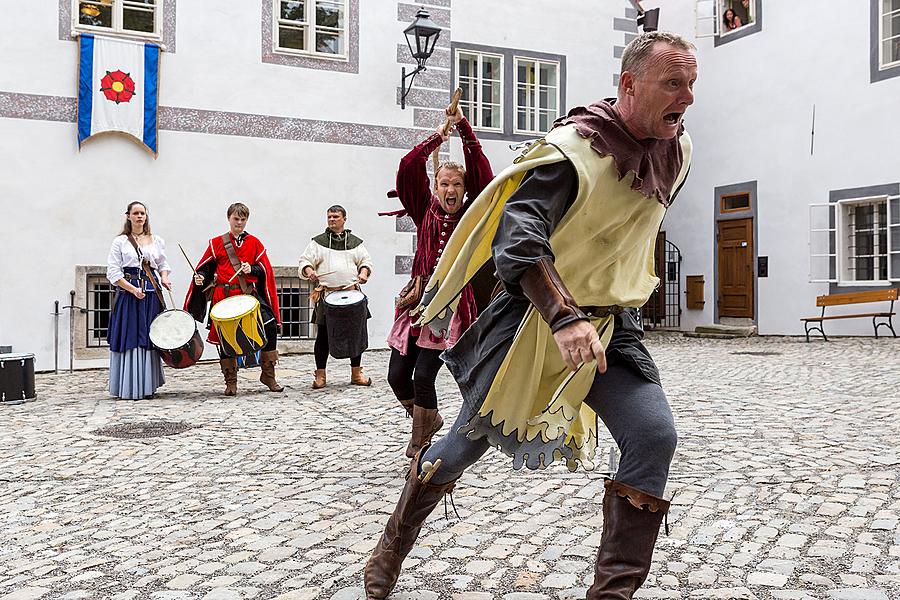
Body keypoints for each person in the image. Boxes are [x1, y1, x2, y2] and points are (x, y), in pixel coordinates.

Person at [364, 31, 697, 600]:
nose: (687, 97)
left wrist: (593, 313)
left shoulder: (678, 151)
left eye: (691, 84)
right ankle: (395, 539)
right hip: (533, 325)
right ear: (629, 85)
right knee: (459, 448)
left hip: (611, 330)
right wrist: (565, 316)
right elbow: (516, 241)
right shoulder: (571, 152)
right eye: (673, 83)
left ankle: (611, 594)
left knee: (653, 435)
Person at [384, 105, 494, 459]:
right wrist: (437, 139)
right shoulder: (423, 209)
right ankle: (427, 420)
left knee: (423, 376)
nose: (450, 189)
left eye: (456, 184)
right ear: (436, 186)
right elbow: (406, 168)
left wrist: (463, 129)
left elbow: (482, 172)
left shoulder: (471, 214)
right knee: (396, 376)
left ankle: (420, 444)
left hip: (450, 306)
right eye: (444, 183)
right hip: (418, 301)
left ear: (464, 190)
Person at [185, 203, 283, 395]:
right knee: (225, 337)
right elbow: (205, 268)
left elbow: (265, 270)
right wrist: (201, 277)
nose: (239, 222)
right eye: (236, 219)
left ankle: (268, 376)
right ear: (229, 218)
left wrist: (252, 269)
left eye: (243, 219)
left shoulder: (255, 243)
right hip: (224, 296)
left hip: (247, 295)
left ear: (247, 220)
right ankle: (231, 381)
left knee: (269, 325)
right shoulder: (216, 243)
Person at [298, 205, 374, 388]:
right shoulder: (318, 242)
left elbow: (366, 261)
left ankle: (356, 374)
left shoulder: (356, 242)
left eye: (335, 216)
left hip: (352, 294)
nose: (331, 219)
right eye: (329, 216)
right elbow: (305, 261)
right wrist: (309, 272)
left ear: (344, 219)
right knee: (323, 336)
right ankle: (321, 376)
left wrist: (363, 274)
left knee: (356, 334)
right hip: (327, 296)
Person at [106, 201, 172, 400]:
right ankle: (129, 386)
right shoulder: (120, 242)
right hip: (129, 296)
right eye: (135, 213)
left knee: (150, 337)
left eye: (142, 213)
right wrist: (132, 289)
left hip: (151, 295)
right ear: (128, 216)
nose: (140, 216)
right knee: (131, 336)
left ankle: (147, 385)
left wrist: (165, 277)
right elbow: (113, 272)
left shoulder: (156, 240)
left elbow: (162, 263)